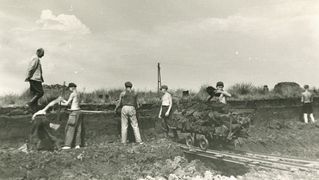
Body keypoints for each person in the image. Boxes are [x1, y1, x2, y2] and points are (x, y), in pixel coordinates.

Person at [60, 83, 84, 150]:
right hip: (79, 112)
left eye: (69, 88)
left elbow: (66, 104)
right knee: (78, 129)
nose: (69, 89)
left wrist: (59, 102)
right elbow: (72, 103)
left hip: (74, 113)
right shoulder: (78, 94)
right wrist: (63, 99)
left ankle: (68, 145)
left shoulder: (72, 94)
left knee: (70, 128)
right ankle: (77, 145)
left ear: (72, 87)